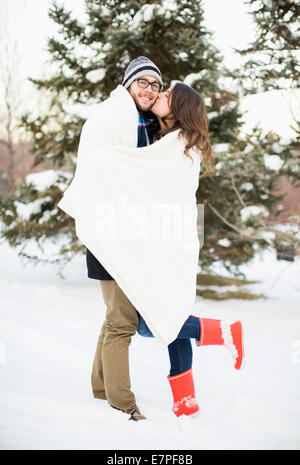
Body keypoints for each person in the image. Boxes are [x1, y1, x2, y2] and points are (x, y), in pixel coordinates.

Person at [136, 82, 244, 418]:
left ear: (180, 109)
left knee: (147, 322)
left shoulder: (179, 144)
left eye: (168, 94)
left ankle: (223, 331)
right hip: (168, 239)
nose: (161, 95)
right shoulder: (172, 141)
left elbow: (142, 177)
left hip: (169, 243)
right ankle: (185, 398)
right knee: (171, 312)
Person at [82, 56, 162, 421]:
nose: (149, 89)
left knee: (115, 316)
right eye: (142, 82)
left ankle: (101, 387)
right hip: (110, 232)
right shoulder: (111, 116)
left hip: (127, 234)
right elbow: (101, 166)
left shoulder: (144, 125)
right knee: (122, 323)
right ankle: (123, 403)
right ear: (129, 84)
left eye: (155, 84)